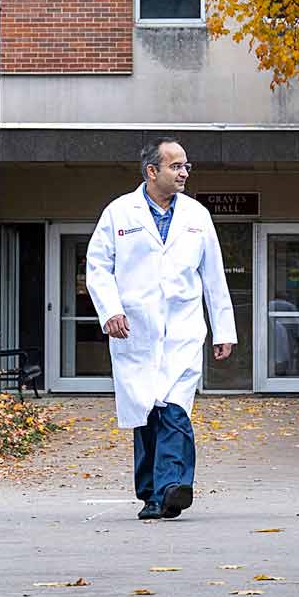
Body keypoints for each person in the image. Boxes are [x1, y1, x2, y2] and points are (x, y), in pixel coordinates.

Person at [86, 138, 236, 521]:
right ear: (152, 171)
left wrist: (224, 330)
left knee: (173, 409)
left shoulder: (197, 216)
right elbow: (98, 267)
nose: (184, 173)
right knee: (147, 414)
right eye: (176, 166)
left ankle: (171, 486)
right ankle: (153, 495)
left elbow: (214, 276)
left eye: (186, 166)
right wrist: (111, 310)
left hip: (183, 330)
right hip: (134, 330)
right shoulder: (119, 213)